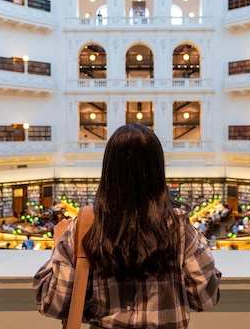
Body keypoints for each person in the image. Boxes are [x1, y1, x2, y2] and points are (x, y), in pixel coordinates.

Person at [34, 123, 221, 329]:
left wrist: (58, 244)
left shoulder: (87, 224)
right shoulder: (177, 226)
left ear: (109, 170)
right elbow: (206, 298)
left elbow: (51, 303)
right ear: (157, 171)